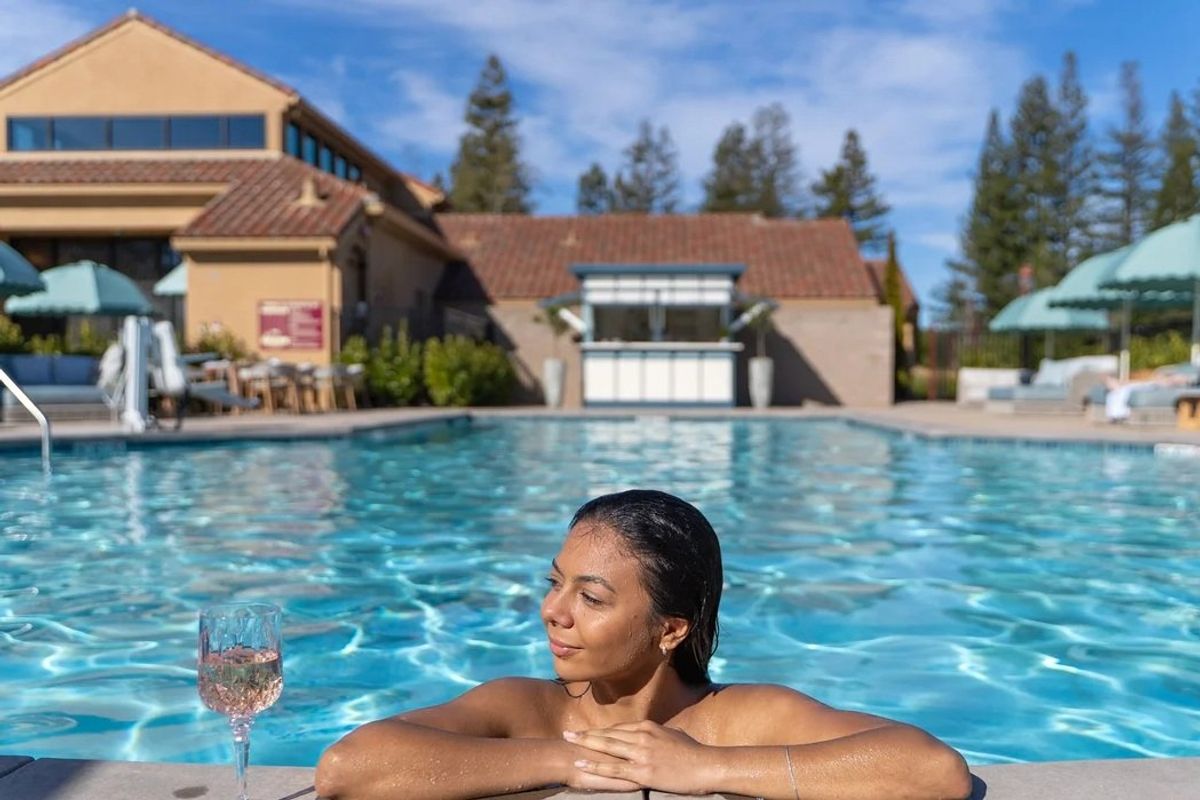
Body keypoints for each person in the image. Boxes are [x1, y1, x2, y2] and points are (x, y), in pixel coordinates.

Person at [314, 490, 972, 800]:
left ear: (671, 629)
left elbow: (931, 771)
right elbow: (348, 770)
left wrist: (706, 769)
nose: (553, 612)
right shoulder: (522, 711)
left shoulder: (736, 721)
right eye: (555, 583)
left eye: (591, 598)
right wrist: (569, 760)